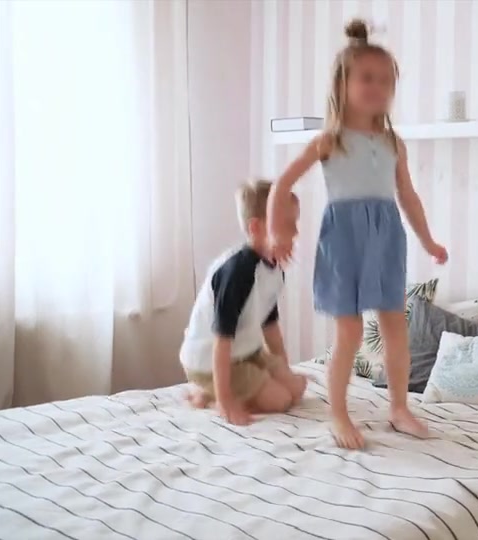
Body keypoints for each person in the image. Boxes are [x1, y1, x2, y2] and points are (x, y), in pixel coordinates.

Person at [267, 19, 447, 449]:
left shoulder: (394, 143)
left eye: (385, 80)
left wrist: (428, 240)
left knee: (395, 327)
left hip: (386, 237)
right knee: (348, 332)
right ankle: (339, 414)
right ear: (343, 83)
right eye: (367, 78)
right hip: (343, 240)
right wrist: (277, 233)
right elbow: (281, 184)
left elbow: (408, 196)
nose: (377, 87)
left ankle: (399, 408)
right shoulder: (330, 140)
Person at [180, 179, 307, 426]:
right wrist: (226, 402)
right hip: (209, 360)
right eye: (287, 224)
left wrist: (283, 371)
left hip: (246, 352)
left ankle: (222, 391)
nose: (295, 232)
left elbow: (270, 326)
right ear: (256, 228)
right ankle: (210, 394)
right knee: (280, 400)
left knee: (296, 388)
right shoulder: (237, 272)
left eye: (295, 223)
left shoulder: (274, 267)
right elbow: (222, 341)